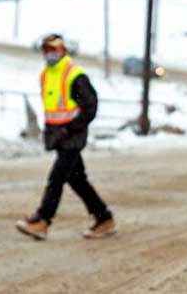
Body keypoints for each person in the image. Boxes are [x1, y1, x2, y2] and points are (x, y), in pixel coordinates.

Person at [16, 33, 115, 240]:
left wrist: (70, 128)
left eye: (54, 49)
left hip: (72, 137)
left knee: (56, 179)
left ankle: (43, 220)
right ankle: (104, 218)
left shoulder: (74, 74)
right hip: (58, 137)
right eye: (46, 50)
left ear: (63, 50)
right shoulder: (46, 74)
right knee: (78, 180)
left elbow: (90, 107)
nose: (49, 54)